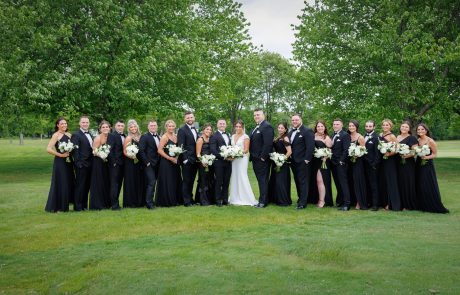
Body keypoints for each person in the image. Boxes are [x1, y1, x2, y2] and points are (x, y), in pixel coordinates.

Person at [415, 123, 449, 213]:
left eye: (422, 129)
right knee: (420, 183)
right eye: (418, 130)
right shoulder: (418, 140)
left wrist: (426, 157)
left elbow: (435, 154)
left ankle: (431, 204)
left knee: (427, 183)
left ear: (426, 130)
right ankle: (422, 204)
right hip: (418, 163)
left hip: (427, 164)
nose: (420, 131)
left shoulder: (430, 141)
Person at [45, 117, 74, 212]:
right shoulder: (56, 135)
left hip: (69, 162)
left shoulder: (69, 134)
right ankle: (58, 207)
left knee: (68, 182)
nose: (64, 125)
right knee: (61, 182)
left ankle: (66, 204)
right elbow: (48, 149)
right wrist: (60, 155)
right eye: (62, 124)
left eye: (65, 123)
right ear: (57, 125)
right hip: (60, 162)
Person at [288, 114, 315, 210]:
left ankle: (303, 203)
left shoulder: (307, 131)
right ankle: (300, 199)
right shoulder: (291, 132)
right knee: (297, 181)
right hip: (293, 162)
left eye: (296, 120)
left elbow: (310, 146)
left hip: (303, 162)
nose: (294, 121)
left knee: (303, 182)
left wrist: (306, 160)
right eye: (293, 120)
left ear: (301, 120)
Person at [229, 120, 258, 206]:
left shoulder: (246, 137)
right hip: (234, 160)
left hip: (242, 159)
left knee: (242, 175)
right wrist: (230, 154)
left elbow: (246, 150)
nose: (238, 128)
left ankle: (247, 198)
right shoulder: (233, 136)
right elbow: (231, 147)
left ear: (242, 127)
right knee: (234, 176)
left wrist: (236, 154)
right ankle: (234, 197)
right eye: (236, 126)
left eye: (240, 127)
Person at [250, 109, 274, 208]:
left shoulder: (267, 126)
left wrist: (263, 157)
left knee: (263, 180)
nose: (256, 116)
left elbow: (268, 144)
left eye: (258, 115)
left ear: (263, 115)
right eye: (255, 115)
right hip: (255, 158)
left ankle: (263, 202)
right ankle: (263, 199)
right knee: (261, 180)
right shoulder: (257, 127)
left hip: (261, 159)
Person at [156, 120, 183, 207]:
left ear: (175, 127)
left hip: (175, 162)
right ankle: (167, 201)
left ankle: (176, 199)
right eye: (169, 126)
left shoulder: (176, 136)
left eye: (172, 126)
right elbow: (159, 150)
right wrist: (169, 158)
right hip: (166, 163)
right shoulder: (164, 137)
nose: (171, 128)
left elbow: (179, 149)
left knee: (175, 180)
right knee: (168, 181)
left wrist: (176, 157)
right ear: (166, 127)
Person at [71, 115, 93, 211]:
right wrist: (78, 164)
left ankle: (84, 205)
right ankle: (78, 206)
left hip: (90, 164)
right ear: (79, 123)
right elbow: (74, 151)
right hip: (81, 165)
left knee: (87, 186)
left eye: (87, 122)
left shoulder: (90, 134)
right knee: (80, 186)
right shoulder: (76, 134)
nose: (85, 124)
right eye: (83, 122)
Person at [309, 120, 333, 207]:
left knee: (321, 181)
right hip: (314, 161)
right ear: (316, 128)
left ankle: (322, 201)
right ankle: (315, 199)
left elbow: (330, 150)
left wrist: (325, 158)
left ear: (325, 127)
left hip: (323, 161)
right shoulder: (313, 136)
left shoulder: (326, 138)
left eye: (322, 126)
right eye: (318, 126)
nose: (320, 128)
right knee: (315, 181)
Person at [268, 122, 292, 206]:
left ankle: (283, 201)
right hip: (276, 161)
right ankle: (275, 199)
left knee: (280, 182)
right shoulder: (278, 137)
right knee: (274, 180)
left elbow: (289, 151)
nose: (280, 129)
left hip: (282, 163)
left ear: (285, 129)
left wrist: (282, 160)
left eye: (282, 128)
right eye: (279, 127)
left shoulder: (285, 138)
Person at [379, 119, 401, 211]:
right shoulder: (380, 135)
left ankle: (391, 203)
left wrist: (389, 154)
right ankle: (383, 202)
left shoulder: (392, 136)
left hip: (390, 161)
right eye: (383, 125)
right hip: (381, 160)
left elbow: (397, 148)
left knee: (390, 181)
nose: (385, 126)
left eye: (387, 125)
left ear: (390, 126)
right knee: (383, 181)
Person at [138, 120, 160, 210]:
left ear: (157, 126)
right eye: (151, 126)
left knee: (153, 183)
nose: (153, 127)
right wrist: (147, 162)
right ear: (148, 127)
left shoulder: (158, 137)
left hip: (157, 163)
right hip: (149, 164)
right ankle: (149, 203)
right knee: (151, 182)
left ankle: (151, 201)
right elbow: (141, 151)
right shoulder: (144, 136)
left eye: (154, 125)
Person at [177, 111, 198, 206]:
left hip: (195, 160)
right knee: (186, 181)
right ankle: (186, 201)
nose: (190, 119)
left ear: (194, 118)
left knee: (192, 180)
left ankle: (190, 198)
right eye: (188, 118)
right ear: (184, 119)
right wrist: (185, 160)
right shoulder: (182, 130)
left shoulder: (196, 129)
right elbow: (181, 145)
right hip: (187, 160)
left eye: (191, 117)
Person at [210, 119, 232, 206]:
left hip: (228, 163)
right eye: (220, 123)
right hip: (218, 163)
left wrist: (231, 155)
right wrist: (224, 156)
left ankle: (225, 200)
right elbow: (213, 150)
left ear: (226, 125)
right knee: (219, 181)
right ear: (217, 125)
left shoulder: (227, 135)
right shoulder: (214, 136)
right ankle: (218, 200)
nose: (222, 125)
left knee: (226, 181)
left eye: (223, 123)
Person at [89, 121, 111, 210]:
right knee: (99, 182)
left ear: (110, 128)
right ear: (100, 129)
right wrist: (102, 154)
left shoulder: (110, 137)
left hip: (107, 163)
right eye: (103, 127)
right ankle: (98, 204)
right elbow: (94, 151)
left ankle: (106, 203)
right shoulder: (98, 138)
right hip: (98, 162)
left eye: (107, 127)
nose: (105, 128)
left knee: (106, 182)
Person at [122, 119, 144, 208]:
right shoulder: (128, 138)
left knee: (139, 181)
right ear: (129, 129)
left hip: (139, 163)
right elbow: (124, 151)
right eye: (131, 127)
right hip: (130, 163)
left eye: (135, 126)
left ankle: (139, 201)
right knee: (131, 181)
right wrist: (132, 156)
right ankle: (131, 202)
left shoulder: (140, 137)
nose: (133, 128)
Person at [330, 118, 351, 211]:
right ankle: (340, 201)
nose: (335, 126)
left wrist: (341, 161)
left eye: (337, 124)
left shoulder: (345, 135)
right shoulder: (332, 135)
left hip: (341, 163)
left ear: (342, 125)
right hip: (333, 163)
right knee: (337, 183)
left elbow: (346, 149)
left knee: (343, 183)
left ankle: (347, 204)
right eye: (334, 124)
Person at [397, 121, 418, 210]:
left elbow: (415, 151)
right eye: (402, 126)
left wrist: (406, 155)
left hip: (408, 164)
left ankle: (408, 205)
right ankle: (400, 203)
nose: (404, 128)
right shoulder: (397, 137)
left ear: (409, 129)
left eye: (406, 127)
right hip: (397, 163)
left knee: (407, 183)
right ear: (400, 128)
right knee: (399, 183)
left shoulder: (412, 138)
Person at [348, 120, 368, 210]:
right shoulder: (347, 136)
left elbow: (364, 150)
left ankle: (360, 202)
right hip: (349, 162)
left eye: (353, 126)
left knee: (358, 182)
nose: (351, 127)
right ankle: (352, 200)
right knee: (350, 181)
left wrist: (357, 155)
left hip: (358, 162)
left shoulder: (360, 137)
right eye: (350, 126)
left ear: (356, 127)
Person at [107, 119, 125, 210]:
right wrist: (113, 162)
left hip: (122, 164)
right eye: (119, 126)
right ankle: (114, 205)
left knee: (119, 184)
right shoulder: (111, 135)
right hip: (115, 164)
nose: (120, 127)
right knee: (114, 184)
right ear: (115, 126)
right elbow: (109, 150)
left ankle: (116, 203)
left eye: (122, 126)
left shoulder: (124, 136)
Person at [363, 120, 381, 211]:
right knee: (367, 184)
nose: (368, 128)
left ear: (374, 127)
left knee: (374, 185)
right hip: (364, 165)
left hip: (373, 165)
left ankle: (375, 205)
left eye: (370, 126)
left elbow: (378, 153)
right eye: (367, 126)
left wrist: (374, 165)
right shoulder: (363, 136)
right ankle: (368, 202)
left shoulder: (376, 137)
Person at [196, 123, 215, 206]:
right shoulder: (200, 139)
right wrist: (203, 161)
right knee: (203, 181)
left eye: (210, 130)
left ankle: (209, 199)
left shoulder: (210, 139)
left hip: (210, 163)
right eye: (207, 129)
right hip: (202, 164)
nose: (209, 131)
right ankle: (203, 200)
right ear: (203, 130)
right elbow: (198, 154)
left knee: (209, 180)